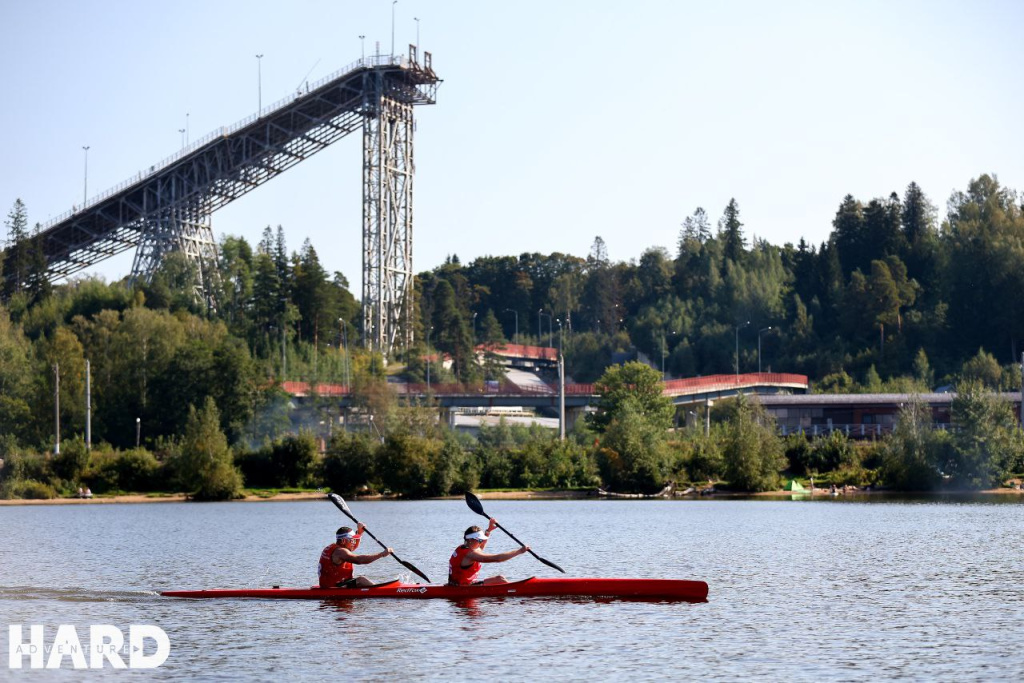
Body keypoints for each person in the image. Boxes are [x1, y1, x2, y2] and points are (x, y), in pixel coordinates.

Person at [448, 517, 529, 586]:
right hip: (465, 588)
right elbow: (497, 559)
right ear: (470, 540)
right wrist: (520, 551)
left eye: (482, 540)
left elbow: (480, 548)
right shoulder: (470, 554)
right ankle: (516, 591)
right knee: (500, 579)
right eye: (479, 540)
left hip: (459, 585)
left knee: (500, 579)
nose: (481, 542)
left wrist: (488, 530)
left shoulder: (462, 548)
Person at [318, 524, 392, 588]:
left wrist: (359, 532)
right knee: (361, 580)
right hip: (335, 587)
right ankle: (380, 592)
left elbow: (351, 548)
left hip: (330, 584)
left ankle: (377, 590)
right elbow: (359, 560)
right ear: (344, 540)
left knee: (358, 580)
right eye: (352, 540)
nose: (354, 542)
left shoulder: (333, 548)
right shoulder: (340, 552)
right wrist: (381, 554)